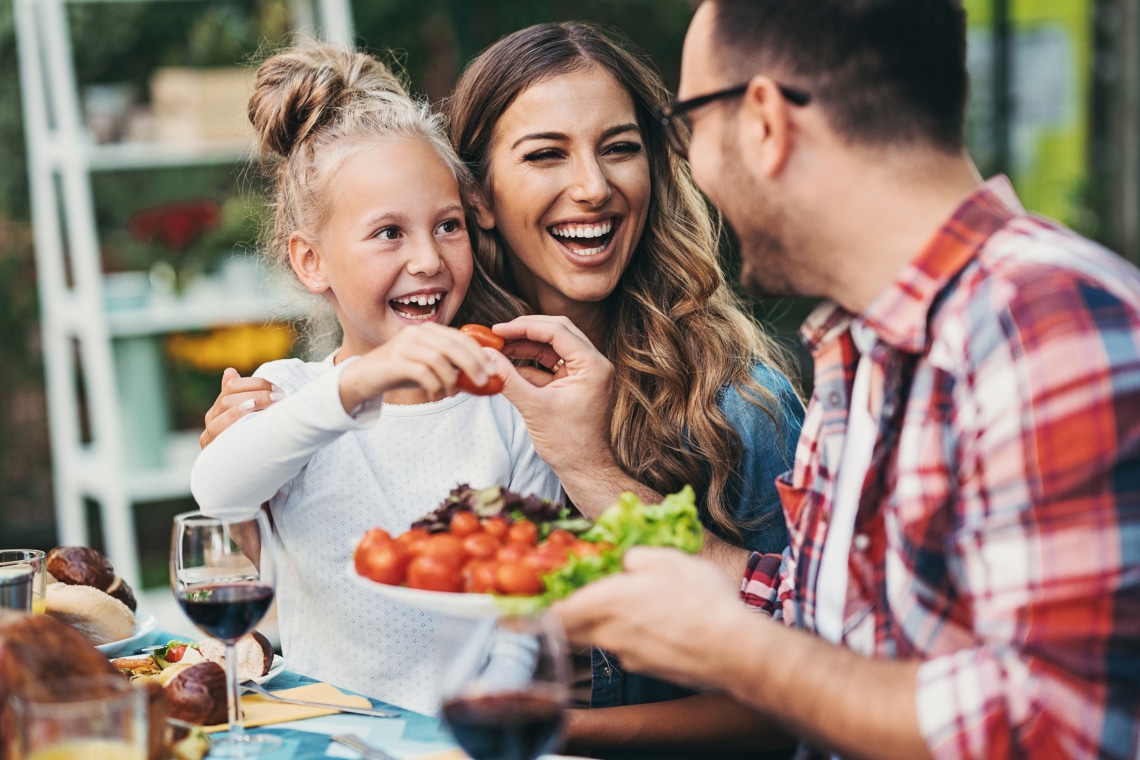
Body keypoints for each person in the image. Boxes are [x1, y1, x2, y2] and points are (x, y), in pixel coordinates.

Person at [551, 1, 1140, 759]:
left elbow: (1057, 729)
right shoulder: (867, 345)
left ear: (764, 119)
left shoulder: (1046, 321)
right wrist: (593, 469)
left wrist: (735, 652)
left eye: (690, 123)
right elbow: (812, 621)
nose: (691, 169)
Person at [200, 22, 804, 758]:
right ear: (482, 191)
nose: (592, 186)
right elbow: (242, 514)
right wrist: (301, 416)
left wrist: (528, 718)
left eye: (620, 147)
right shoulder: (378, 380)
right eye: (546, 153)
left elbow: (815, 675)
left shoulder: (733, 406)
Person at [189, 41, 561, 715]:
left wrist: (489, 700)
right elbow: (216, 491)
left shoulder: (505, 404)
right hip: (325, 734)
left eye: (447, 226)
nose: (428, 258)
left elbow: (523, 605)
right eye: (389, 233)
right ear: (311, 262)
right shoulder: (296, 397)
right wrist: (360, 384)